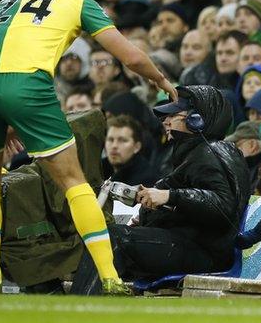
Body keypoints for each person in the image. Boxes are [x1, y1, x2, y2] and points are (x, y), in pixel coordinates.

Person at [0, 0, 177, 295]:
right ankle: (110, 278)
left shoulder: (4, 2)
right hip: (27, 84)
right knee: (74, 181)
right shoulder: (76, 0)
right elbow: (131, 56)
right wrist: (160, 80)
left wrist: (4, 115)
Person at [71, 85, 250, 295]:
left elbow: (222, 206)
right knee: (107, 237)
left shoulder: (209, 152)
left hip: (205, 254)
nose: (165, 121)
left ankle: (78, 307)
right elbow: (191, 210)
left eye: (173, 115)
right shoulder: (197, 152)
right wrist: (154, 213)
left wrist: (169, 196)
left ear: (196, 119)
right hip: (193, 246)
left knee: (110, 238)